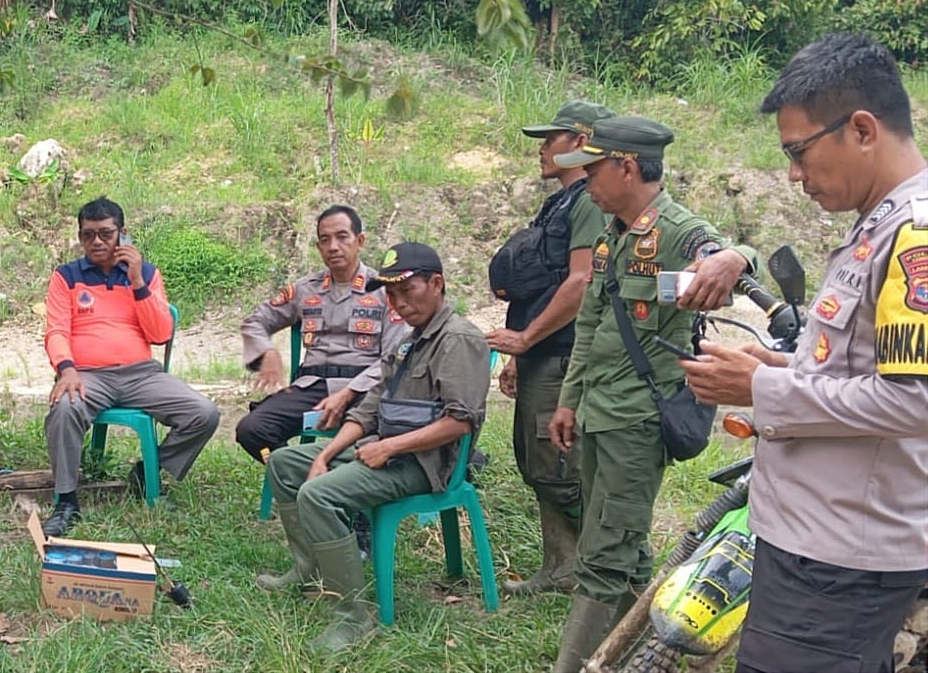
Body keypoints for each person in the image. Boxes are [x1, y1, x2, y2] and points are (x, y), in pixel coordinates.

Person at [680, 33, 928, 673]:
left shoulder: (914, 235)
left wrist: (761, 392)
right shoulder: (876, 226)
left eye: (799, 152)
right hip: (816, 542)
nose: (793, 175)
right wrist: (780, 368)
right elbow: (868, 373)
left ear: (864, 129)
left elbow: (914, 401)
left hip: (842, 559)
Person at [545, 116, 762, 673]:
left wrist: (735, 257)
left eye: (594, 169)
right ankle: (648, 655)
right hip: (597, 411)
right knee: (627, 548)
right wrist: (569, 400)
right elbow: (590, 325)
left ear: (627, 166)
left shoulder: (677, 230)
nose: (586, 180)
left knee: (603, 555)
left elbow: (732, 256)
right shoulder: (610, 233)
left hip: (638, 421)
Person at [260, 242, 490, 654]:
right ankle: (309, 569)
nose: (399, 303)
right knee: (284, 463)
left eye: (408, 291)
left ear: (436, 284)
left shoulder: (457, 339)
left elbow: (461, 421)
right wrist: (325, 455)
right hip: (386, 447)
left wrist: (389, 448)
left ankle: (354, 615)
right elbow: (368, 409)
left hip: (425, 463)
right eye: (392, 295)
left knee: (319, 493)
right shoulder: (410, 340)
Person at [486, 100, 614, 595]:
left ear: (580, 142)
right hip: (543, 353)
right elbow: (542, 283)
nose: (541, 149)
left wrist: (526, 339)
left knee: (559, 466)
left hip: (564, 356)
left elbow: (581, 282)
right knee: (536, 461)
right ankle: (561, 566)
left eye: (551, 138)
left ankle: (603, 567)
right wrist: (520, 353)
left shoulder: (586, 201)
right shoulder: (560, 202)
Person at [41, 196, 220, 537]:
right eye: (88, 235)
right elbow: (57, 330)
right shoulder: (66, 277)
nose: (96, 242)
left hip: (141, 373)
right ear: (80, 237)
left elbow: (160, 332)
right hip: (87, 375)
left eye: (106, 234)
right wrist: (66, 369)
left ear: (123, 235)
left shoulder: (147, 274)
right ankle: (65, 500)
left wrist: (136, 281)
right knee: (64, 409)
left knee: (204, 413)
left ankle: (148, 473)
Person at [238, 204, 409, 461]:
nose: (333, 247)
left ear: (359, 241)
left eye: (342, 237)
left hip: (366, 387)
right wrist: (267, 351)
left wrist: (349, 392)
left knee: (392, 433)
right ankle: (296, 477)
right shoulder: (306, 289)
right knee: (252, 430)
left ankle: (336, 483)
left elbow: (393, 358)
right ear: (318, 248)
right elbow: (255, 321)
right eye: (324, 240)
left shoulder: (385, 291)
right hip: (313, 388)